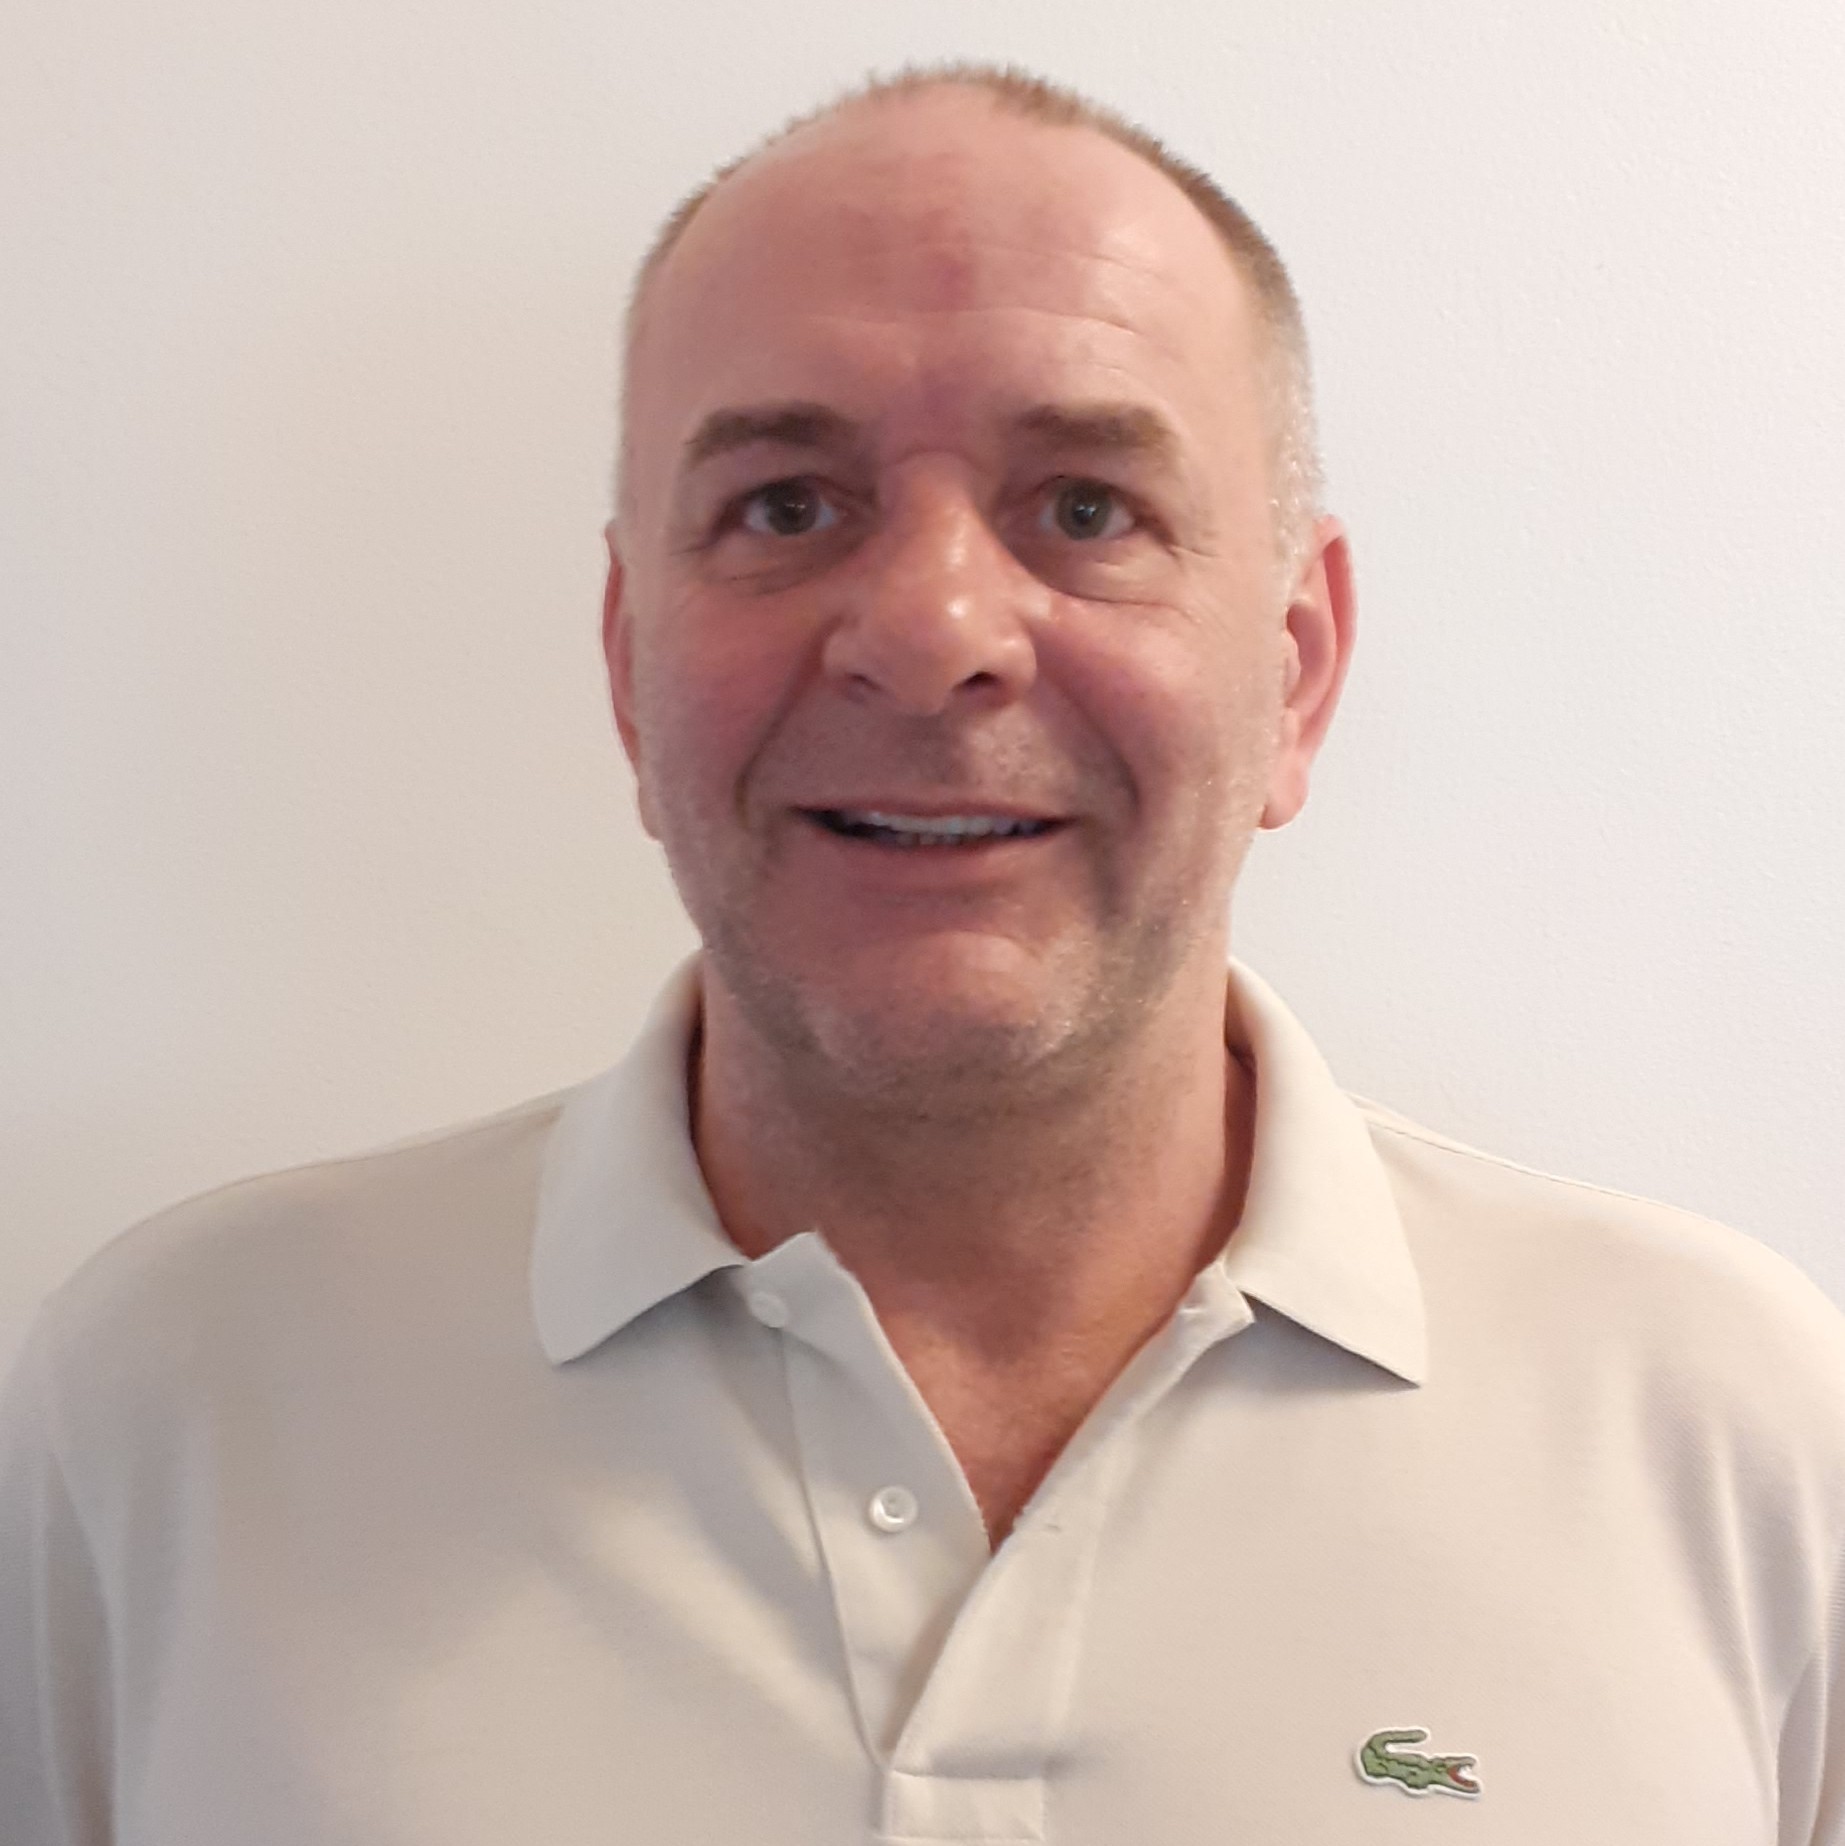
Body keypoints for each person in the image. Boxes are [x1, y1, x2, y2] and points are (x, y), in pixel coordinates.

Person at [3, 62, 1841, 1846]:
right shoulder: (178, 1413)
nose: (931, 628)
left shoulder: (1738, 1435)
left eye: (1086, 509)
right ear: (629, 666)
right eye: (786, 506)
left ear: (1294, 669)